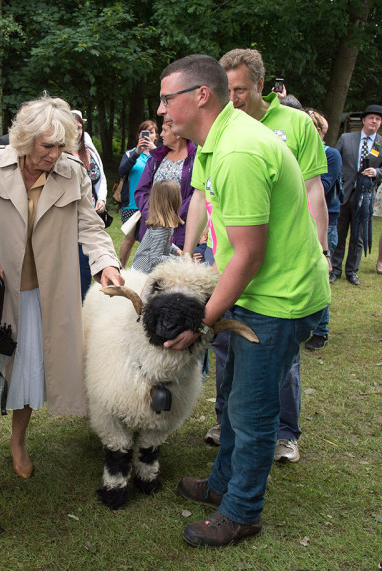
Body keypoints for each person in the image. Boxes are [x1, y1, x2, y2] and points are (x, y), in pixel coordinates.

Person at [163, 54, 329, 548]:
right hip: (255, 291)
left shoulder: (237, 152)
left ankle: (242, 513)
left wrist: (203, 319)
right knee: (235, 398)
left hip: (278, 299)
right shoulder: (221, 141)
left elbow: (250, 255)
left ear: (200, 96)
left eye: (169, 97)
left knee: (254, 412)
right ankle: (221, 485)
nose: (163, 108)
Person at [0, 94, 123, 480]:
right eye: (47, 146)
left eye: (61, 146)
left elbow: (91, 227)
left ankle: (17, 441)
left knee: (29, 369)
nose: (54, 154)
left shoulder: (72, 172)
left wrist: (106, 264)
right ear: (25, 139)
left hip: (42, 294)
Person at [197, 48, 330, 462]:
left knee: (267, 378)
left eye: (240, 89)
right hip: (240, 277)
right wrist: (192, 251)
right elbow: (206, 198)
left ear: (261, 85)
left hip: (275, 285)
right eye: (228, 89)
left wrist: (319, 250)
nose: (233, 97)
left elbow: (310, 191)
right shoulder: (217, 139)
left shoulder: (280, 131)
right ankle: (226, 442)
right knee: (235, 372)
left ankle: (281, 438)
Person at [332, 104, 382, 285]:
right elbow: (335, 161)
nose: (374, 121)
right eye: (371, 118)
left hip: (365, 195)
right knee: (339, 233)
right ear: (363, 120)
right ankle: (335, 270)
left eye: (378, 119)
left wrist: (376, 172)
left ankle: (352, 271)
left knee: (358, 237)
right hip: (344, 192)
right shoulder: (346, 138)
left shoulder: (380, 143)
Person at [305, 109, 342, 351]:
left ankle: (321, 330)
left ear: (319, 131)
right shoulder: (303, 155)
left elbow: (324, 186)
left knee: (320, 273)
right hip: (301, 221)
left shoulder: (331, 155)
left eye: (309, 127)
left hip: (322, 222)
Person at [134, 121, 197, 250]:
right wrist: (152, 216)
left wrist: (173, 217)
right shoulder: (157, 157)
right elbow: (141, 191)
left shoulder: (195, 159)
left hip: (180, 231)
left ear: (178, 133)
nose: (161, 134)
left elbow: (196, 194)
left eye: (165, 130)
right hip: (152, 230)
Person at [72, 110, 109, 299]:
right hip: (70, 218)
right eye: (73, 127)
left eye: (80, 127)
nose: (77, 131)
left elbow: (100, 177)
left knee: (87, 261)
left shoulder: (89, 150)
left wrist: (102, 198)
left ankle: (84, 301)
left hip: (91, 212)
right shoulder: (58, 153)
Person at [117, 119, 158, 267]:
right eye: (144, 132)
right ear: (139, 135)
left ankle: (146, 269)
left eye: (151, 132)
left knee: (150, 240)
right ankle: (121, 268)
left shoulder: (159, 154)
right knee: (129, 239)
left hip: (152, 205)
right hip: (131, 205)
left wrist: (154, 151)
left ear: (156, 136)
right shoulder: (130, 153)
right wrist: (136, 154)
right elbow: (122, 171)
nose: (148, 135)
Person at [130, 179, 183, 273]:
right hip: (143, 273)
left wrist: (176, 251)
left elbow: (164, 244)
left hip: (147, 271)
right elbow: (155, 259)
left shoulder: (164, 224)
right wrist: (179, 261)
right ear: (175, 201)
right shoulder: (160, 228)